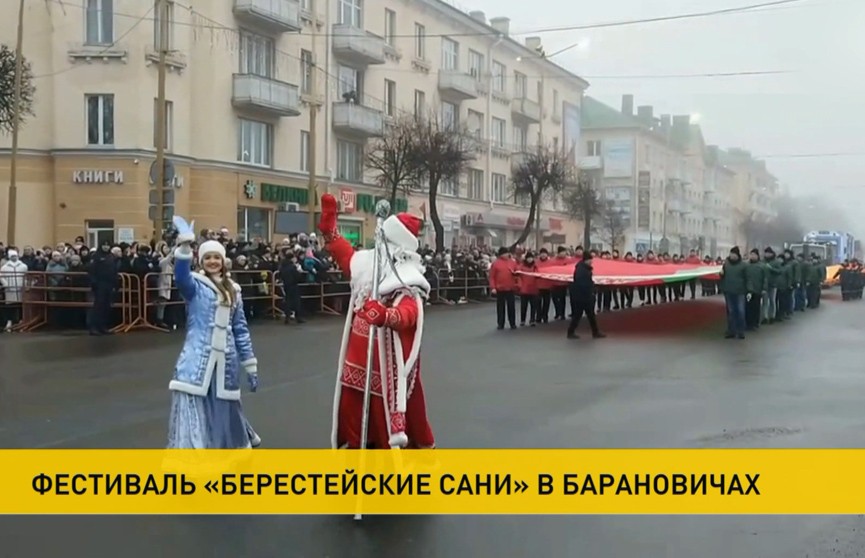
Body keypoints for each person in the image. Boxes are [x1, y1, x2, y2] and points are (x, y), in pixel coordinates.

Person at [318, 194, 435, 450]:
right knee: (352, 409)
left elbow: (409, 313)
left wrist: (385, 316)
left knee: (383, 417)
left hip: (386, 362)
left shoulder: (407, 276)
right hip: (357, 356)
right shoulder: (367, 264)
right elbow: (343, 253)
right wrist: (329, 226)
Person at [166, 232, 261, 449]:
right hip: (197, 360)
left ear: (223, 261)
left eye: (216, 257)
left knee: (224, 407)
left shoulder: (234, 290)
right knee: (195, 407)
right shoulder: (195, 286)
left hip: (225, 361)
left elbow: (240, 329)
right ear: (201, 260)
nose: (212, 261)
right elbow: (181, 277)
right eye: (207, 257)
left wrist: (250, 364)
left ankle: (227, 450)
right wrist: (184, 249)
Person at [566, 252, 605, 339]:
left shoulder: (584, 268)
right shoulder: (581, 270)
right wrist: (591, 287)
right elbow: (582, 283)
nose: (591, 262)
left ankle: (595, 332)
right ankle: (571, 332)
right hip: (582, 296)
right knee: (578, 315)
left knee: (590, 315)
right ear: (586, 260)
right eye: (590, 260)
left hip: (585, 296)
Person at [719, 246, 747, 339]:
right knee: (731, 312)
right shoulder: (726, 264)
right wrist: (721, 275)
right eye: (731, 254)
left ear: (737, 255)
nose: (732, 256)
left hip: (740, 292)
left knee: (740, 311)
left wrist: (748, 290)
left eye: (734, 254)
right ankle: (731, 330)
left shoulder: (743, 265)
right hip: (729, 291)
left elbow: (747, 278)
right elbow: (722, 276)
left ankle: (741, 330)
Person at [489, 246, 517, 330]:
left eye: (507, 253)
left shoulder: (512, 262)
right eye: (505, 253)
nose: (507, 254)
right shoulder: (496, 263)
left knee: (511, 307)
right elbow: (492, 277)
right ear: (501, 254)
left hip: (510, 287)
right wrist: (493, 287)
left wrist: (516, 282)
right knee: (500, 307)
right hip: (500, 288)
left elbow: (517, 272)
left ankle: (512, 323)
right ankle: (500, 323)